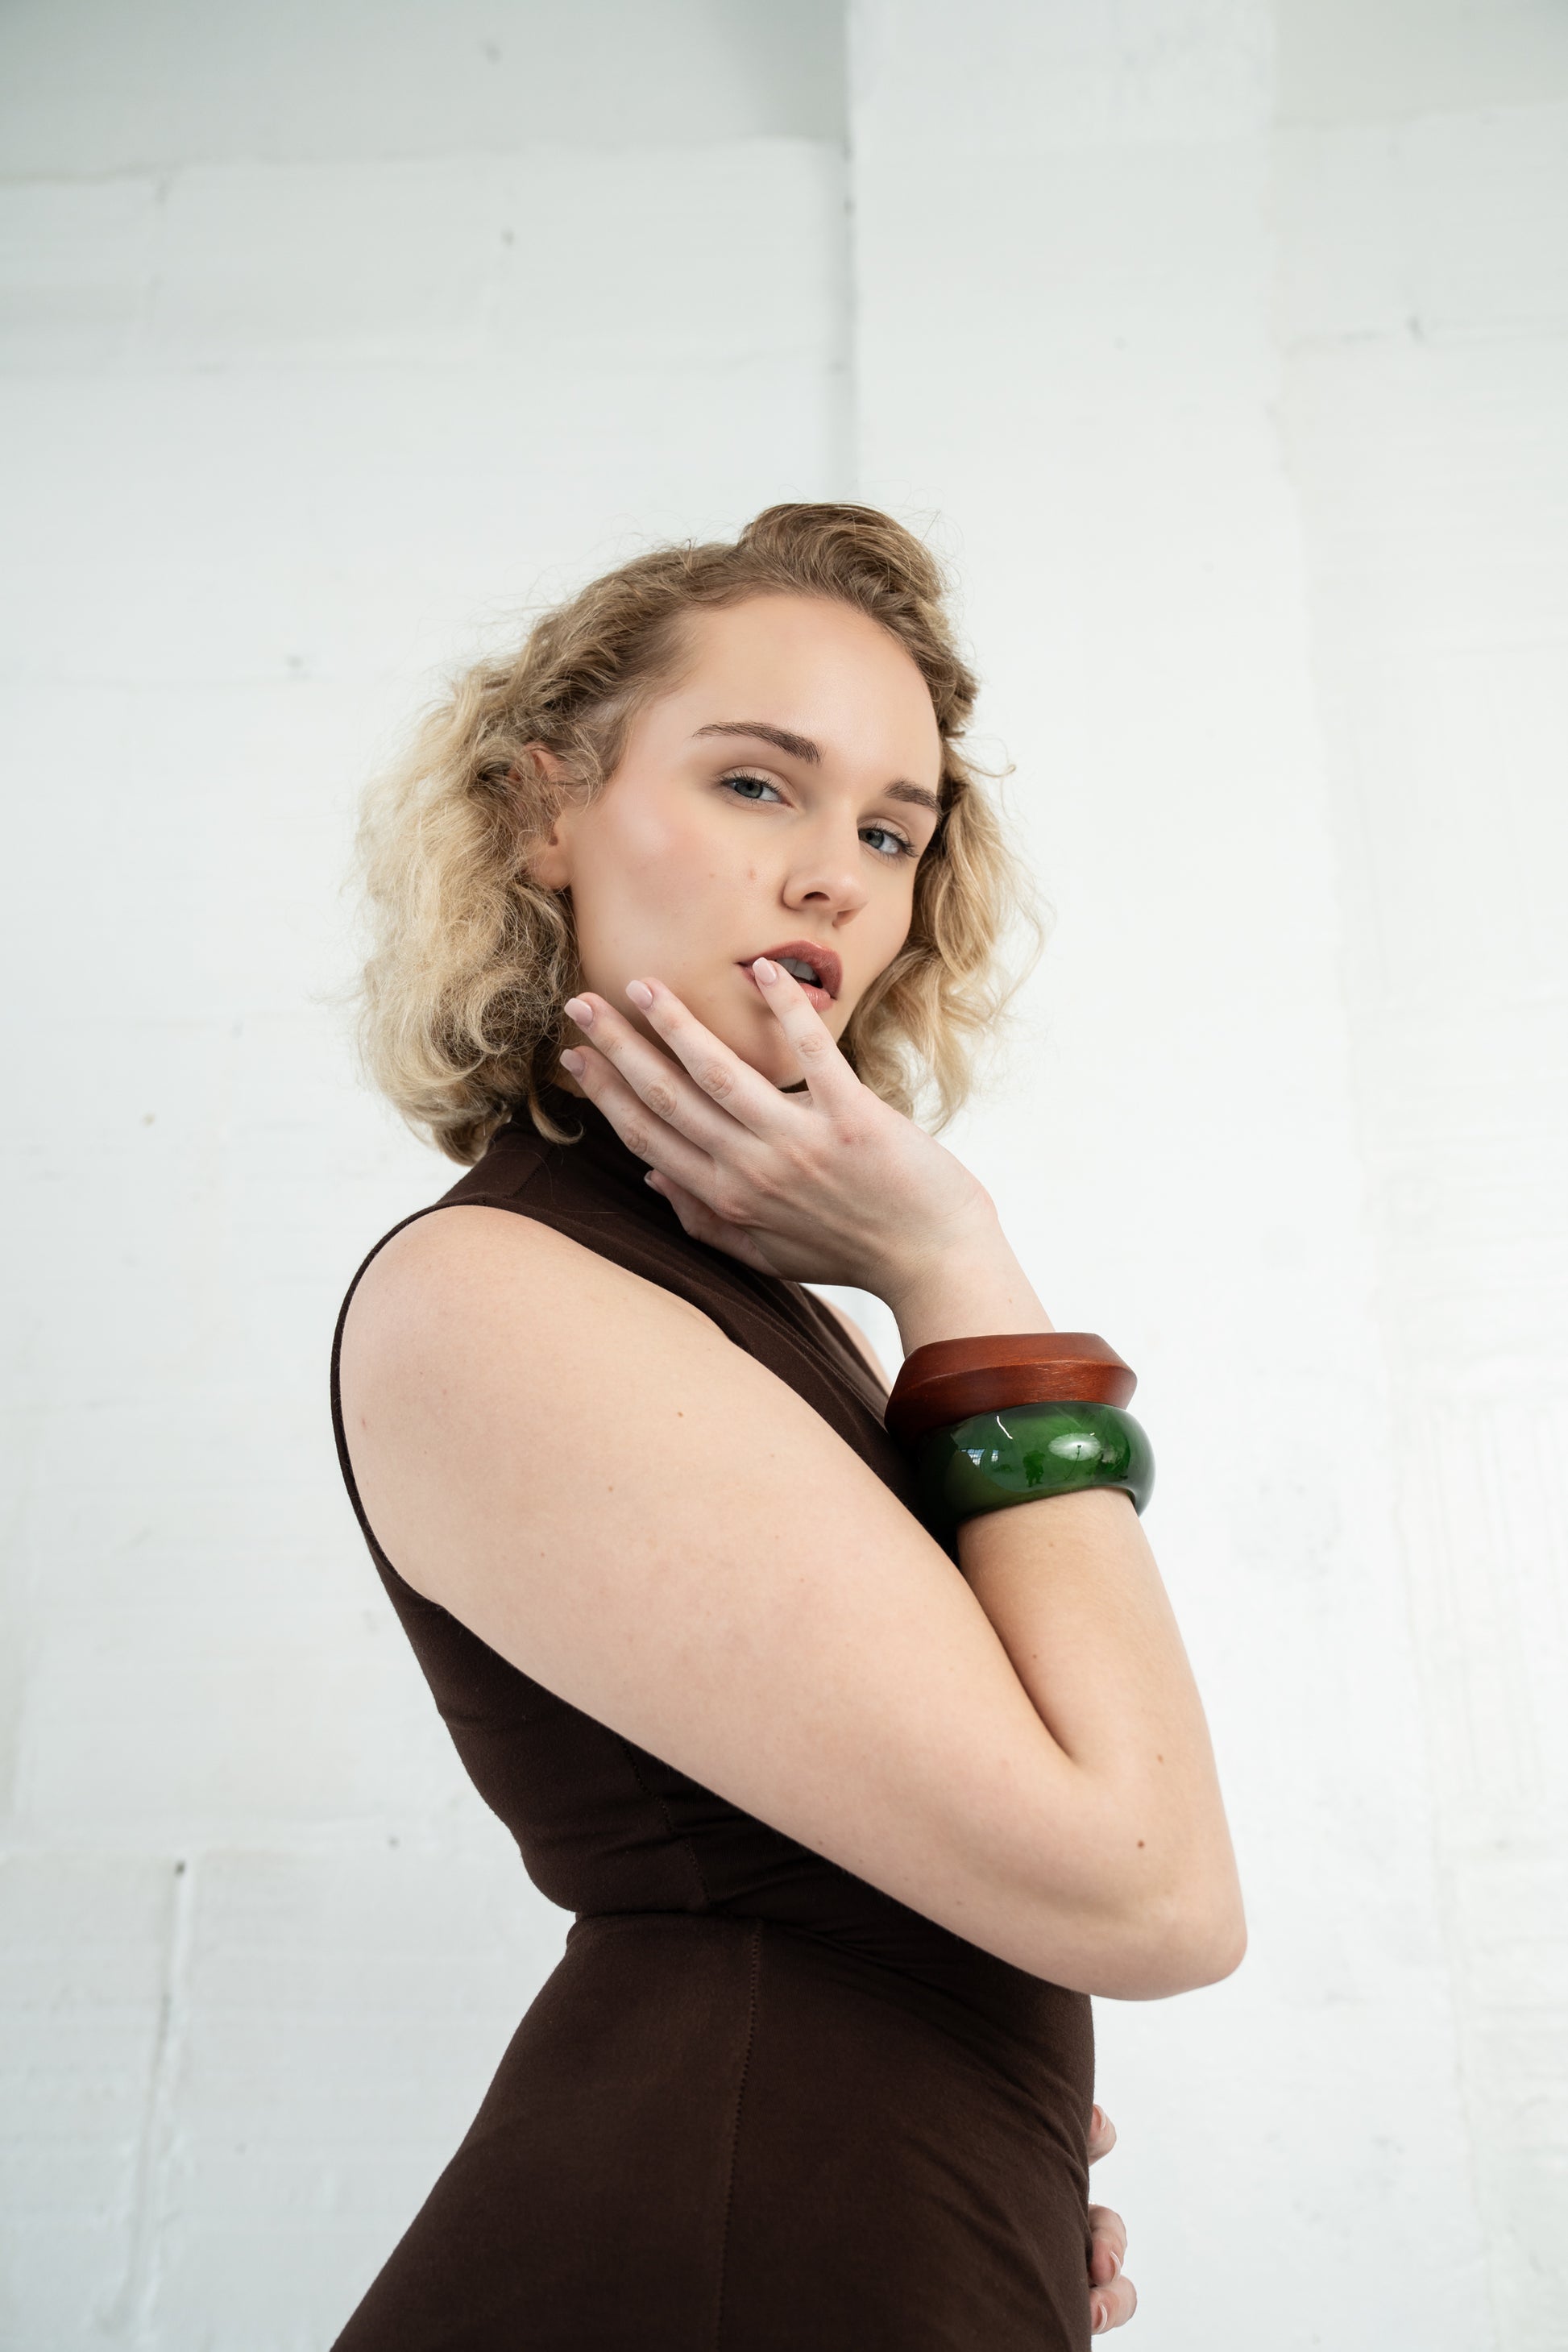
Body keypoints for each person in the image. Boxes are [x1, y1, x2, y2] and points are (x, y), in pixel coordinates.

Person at [330, 504, 1245, 2348]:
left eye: (890, 826)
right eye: (760, 785)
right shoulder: (502, 1290)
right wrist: (958, 1266)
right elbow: (1150, 1897)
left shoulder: (734, 1307)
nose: (835, 870)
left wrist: (963, 2121)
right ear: (541, 814)